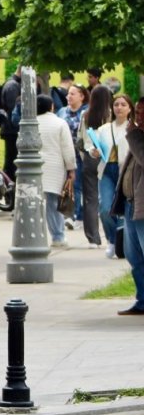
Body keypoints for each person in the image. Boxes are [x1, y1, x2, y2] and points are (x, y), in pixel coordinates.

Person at [91, 91, 133, 259]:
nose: (119, 108)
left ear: (130, 108)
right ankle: (112, 239)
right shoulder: (104, 129)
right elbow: (94, 147)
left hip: (126, 171)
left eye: (123, 104)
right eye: (116, 104)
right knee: (105, 208)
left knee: (124, 208)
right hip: (107, 169)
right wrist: (93, 151)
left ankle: (123, 242)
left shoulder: (134, 128)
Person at [37, 95, 77, 248]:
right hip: (55, 167)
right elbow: (67, 148)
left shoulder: (30, 122)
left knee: (35, 203)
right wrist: (71, 169)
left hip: (35, 167)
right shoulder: (60, 123)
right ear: (51, 107)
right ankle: (58, 236)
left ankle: (36, 235)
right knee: (53, 203)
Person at [116, 97, 144, 316]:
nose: (140, 117)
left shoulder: (137, 137)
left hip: (142, 207)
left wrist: (133, 133)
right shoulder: (138, 136)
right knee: (134, 257)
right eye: (139, 112)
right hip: (130, 204)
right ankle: (142, 300)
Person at [82, 84, 114, 254]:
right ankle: (113, 235)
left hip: (90, 157)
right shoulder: (111, 115)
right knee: (109, 197)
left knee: (90, 198)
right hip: (109, 158)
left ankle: (93, 237)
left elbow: (82, 138)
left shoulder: (85, 115)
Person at [58, 84, 90, 232]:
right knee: (67, 186)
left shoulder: (87, 112)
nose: (68, 97)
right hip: (63, 154)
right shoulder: (62, 112)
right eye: (68, 94)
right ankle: (72, 215)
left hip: (82, 155)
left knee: (77, 186)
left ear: (82, 96)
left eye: (72, 94)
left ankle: (76, 216)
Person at [0, 70, 22, 181]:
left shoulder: (11, 84)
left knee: (11, 162)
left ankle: (9, 188)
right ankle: (10, 190)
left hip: (10, 129)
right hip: (12, 130)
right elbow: (13, 110)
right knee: (11, 163)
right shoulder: (12, 86)